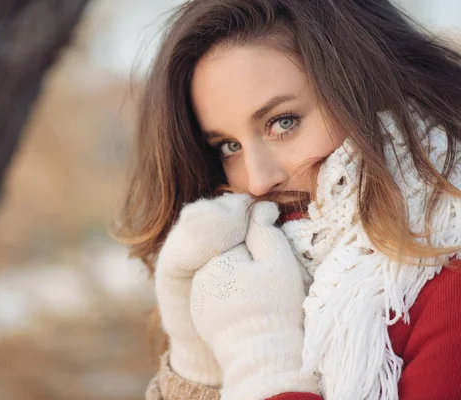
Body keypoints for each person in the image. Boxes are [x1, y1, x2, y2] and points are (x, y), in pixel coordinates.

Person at [114, 0, 461, 399]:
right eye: (229, 145)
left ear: (370, 87)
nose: (259, 182)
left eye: (283, 122)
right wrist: (196, 365)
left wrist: (265, 364)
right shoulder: (267, 267)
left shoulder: (448, 281)